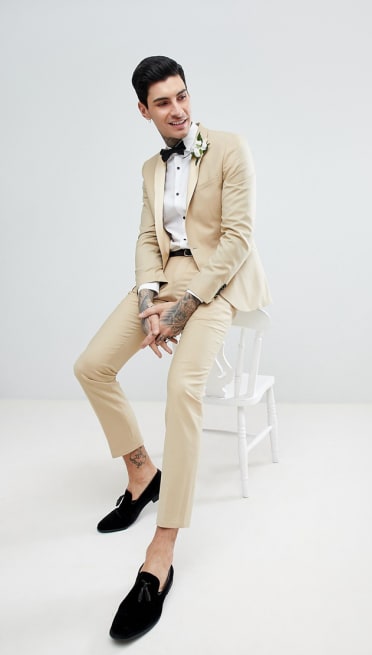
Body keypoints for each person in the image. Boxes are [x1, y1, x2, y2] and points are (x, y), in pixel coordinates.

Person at [74, 55, 271, 641]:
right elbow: (146, 237)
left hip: (217, 284)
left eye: (182, 96)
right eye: (162, 102)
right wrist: (148, 299)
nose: (177, 109)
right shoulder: (149, 168)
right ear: (144, 110)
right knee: (92, 366)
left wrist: (183, 308)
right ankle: (142, 473)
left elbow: (237, 238)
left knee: (182, 388)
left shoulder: (231, 148)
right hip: (165, 282)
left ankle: (161, 551)